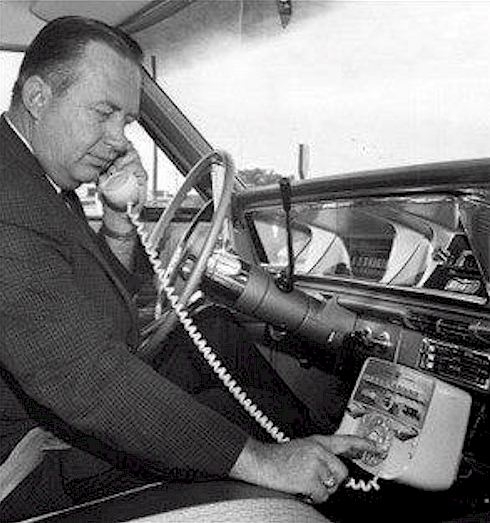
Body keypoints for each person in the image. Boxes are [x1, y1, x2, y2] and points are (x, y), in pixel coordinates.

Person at [0, 17, 378, 521]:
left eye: (126, 122)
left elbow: (95, 303)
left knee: (214, 330)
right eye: (104, 113)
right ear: (38, 97)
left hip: (53, 403)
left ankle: (324, 460)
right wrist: (263, 461)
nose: (119, 140)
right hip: (27, 460)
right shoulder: (10, 203)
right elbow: (84, 379)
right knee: (239, 414)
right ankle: (348, 496)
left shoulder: (37, 177)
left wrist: (118, 222)